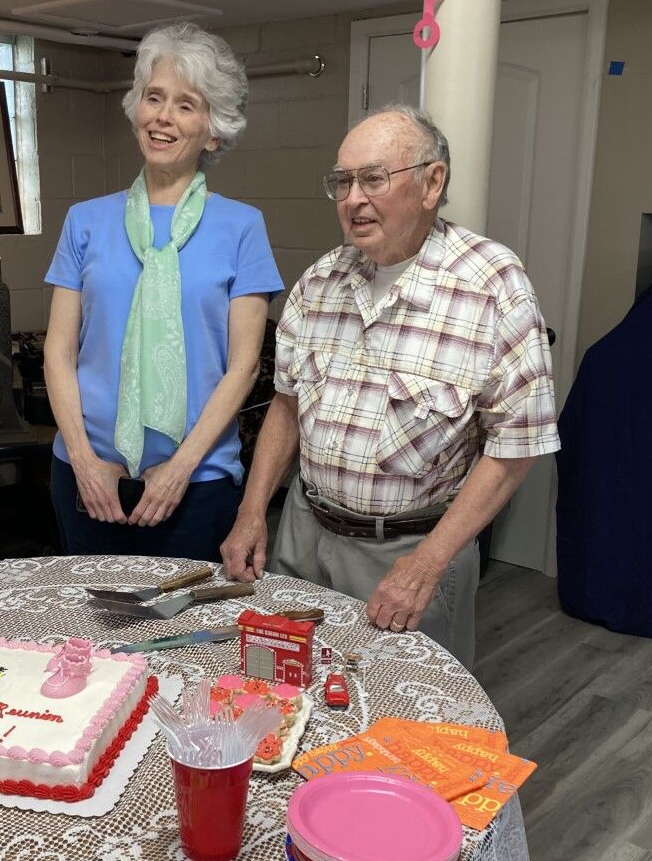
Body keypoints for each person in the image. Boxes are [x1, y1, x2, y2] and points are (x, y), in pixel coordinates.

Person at [221, 105, 560, 669]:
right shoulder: (321, 280)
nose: (353, 198)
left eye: (373, 178)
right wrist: (254, 511)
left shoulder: (492, 285)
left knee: (401, 726)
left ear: (432, 183)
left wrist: (429, 563)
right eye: (342, 182)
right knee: (283, 691)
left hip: (412, 552)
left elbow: (516, 447)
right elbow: (286, 406)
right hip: (302, 535)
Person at [44, 22, 283, 562]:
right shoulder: (85, 221)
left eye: (186, 105)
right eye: (154, 98)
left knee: (181, 643)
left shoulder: (242, 228)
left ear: (214, 131)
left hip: (197, 482)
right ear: (135, 110)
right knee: (89, 637)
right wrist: (83, 461)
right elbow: (58, 352)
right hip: (88, 476)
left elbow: (242, 368)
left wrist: (179, 470)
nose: (163, 117)